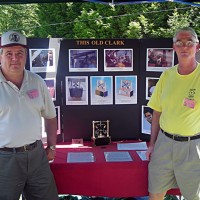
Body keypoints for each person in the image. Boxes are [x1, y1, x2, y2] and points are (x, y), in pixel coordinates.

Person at [0, 30, 58, 199]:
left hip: (36, 156)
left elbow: (50, 116)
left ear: (26, 55)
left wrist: (52, 146)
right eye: (9, 53)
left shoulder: (37, 81)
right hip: (5, 159)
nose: (14, 58)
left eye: (19, 53)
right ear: (1, 56)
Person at [146, 27, 200, 200]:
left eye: (189, 42)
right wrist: (152, 144)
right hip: (164, 144)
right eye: (180, 43)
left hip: (193, 147)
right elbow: (157, 112)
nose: (185, 47)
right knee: (155, 194)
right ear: (174, 47)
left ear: (197, 47)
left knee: (194, 197)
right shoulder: (166, 76)